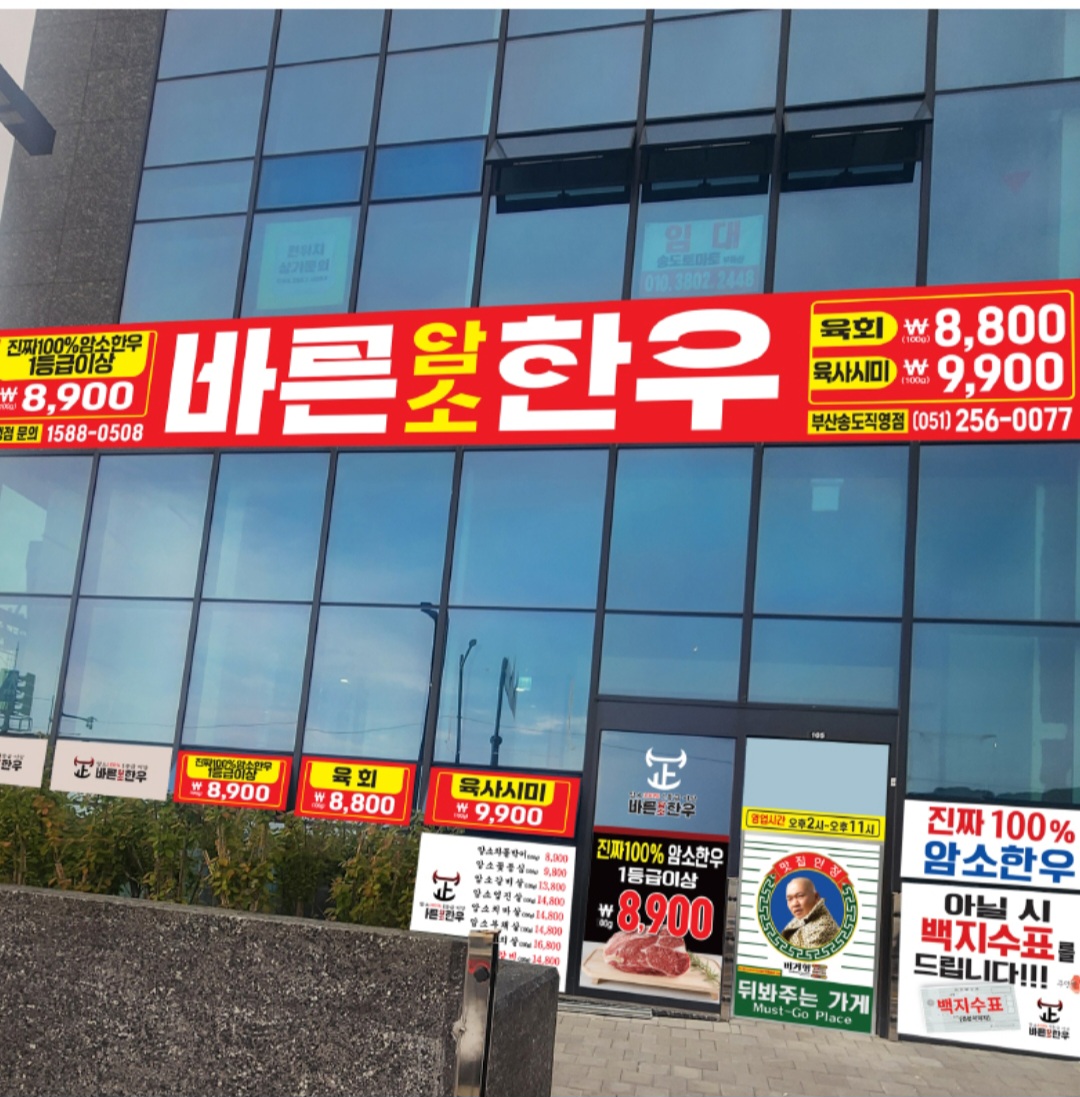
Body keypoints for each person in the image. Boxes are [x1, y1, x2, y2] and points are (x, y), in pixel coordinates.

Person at [780, 876, 841, 949]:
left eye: (800, 896)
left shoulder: (823, 928)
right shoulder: (803, 917)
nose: (794, 904)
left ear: (816, 897)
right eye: (789, 899)